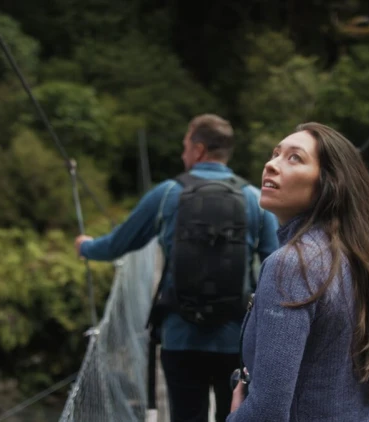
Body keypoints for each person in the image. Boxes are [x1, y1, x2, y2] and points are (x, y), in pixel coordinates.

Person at [227, 122, 369, 422]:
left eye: (294, 157)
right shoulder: (361, 257)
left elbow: (268, 412)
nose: (271, 165)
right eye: (275, 154)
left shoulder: (290, 265)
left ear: (327, 184)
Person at [74, 114, 279, 422]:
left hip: (180, 336)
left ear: (198, 149)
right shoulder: (254, 200)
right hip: (235, 339)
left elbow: (118, 244)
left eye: (185, 146)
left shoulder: (167, 193)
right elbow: (275, 269)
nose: (182, 153)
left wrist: (85, 247)